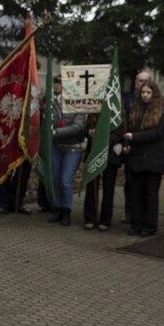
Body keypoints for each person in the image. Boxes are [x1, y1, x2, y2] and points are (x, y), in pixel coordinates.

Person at [123, 80, 164, 237]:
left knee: (150, 195)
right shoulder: (136, 110)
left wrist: (134, 137)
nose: (145, 95)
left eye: (148, 92)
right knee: (136, 194)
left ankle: (149, 226)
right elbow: (130, 128)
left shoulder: (162, 112)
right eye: (143, 92)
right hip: (137, 159)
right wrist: (127, 145)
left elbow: (157, 133)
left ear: (154, 94)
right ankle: (136, 224)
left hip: (153, 159)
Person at [49, 75, 87, 226]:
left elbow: (78, 126)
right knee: (56, 179)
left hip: (73, 148)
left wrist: (57, 132)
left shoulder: (79, 104)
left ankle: (66, 211)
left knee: (65, 180)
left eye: (63, 85)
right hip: (56, 147)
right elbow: (49, 120)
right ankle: (58, 209)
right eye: (58, 84)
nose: (60, 88)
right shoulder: (53, 103)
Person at [121, 71, 151, 224]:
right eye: (140, 81)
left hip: (147, 149)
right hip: (130, 147)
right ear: (135, 82)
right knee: (130, 182)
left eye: (146, 81)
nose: (142, 84)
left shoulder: (154, 102)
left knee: (146, 185)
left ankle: (143, 214)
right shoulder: (127, 100)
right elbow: (123, 123)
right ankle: (129, 213)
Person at [82, 120, 124, 231]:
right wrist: (89, 132)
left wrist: (102, 137)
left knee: (108, 188)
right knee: (91, 186)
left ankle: (105, 219)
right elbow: (85, 129)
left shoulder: (116, 110)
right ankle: (89, 218)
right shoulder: (94, 109)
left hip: (110, 155)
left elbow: (119, 134)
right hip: (94, 153)